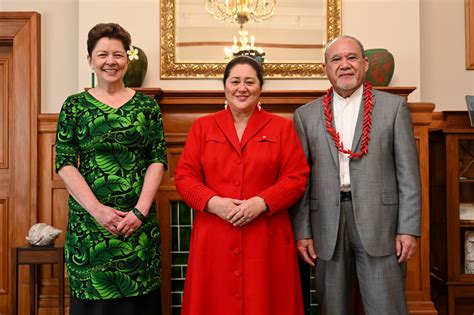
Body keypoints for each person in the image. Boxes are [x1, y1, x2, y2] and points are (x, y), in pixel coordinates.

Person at [292, 35, 421, 315]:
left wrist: (408, 228)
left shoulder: (394, 108)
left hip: (381, 224)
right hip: (326, 224)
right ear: (326, 68)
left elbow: (409, 174)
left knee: (386, 307)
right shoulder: (305, 116)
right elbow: (301, 181)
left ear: (364, 64)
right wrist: (303, 232)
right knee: (332, 308)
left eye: (351, 57)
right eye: (336, 59)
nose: (344, 65)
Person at [174, 56, 309, 315]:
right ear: (225, 87)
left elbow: (296, 177)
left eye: (250, 81)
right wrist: (214, 203)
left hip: (266, 234)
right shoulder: (202, 126)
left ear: (260, 88)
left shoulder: (282, 127)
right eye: (235, 81)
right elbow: (184, 176)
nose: (241, 88)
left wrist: (261, 202)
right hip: (215, 234)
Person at [55, 23, 167, 315]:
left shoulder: (147, 107)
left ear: (127, 59)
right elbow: (65, 163)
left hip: (138, 225)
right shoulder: (74, 106)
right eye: (102, 54)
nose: (111, 61)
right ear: (90, 60)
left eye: (118, 54)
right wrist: (97, 210)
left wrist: (140, 211)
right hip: (90, 227)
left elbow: (158, 159)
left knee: (138, 303)